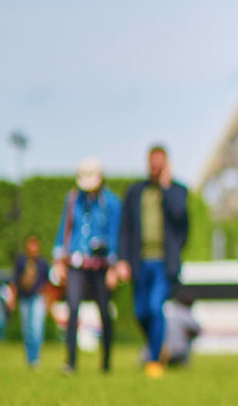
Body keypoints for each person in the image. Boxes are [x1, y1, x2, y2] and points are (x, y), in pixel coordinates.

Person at [117, 143, 190, 378]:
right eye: (153, 163)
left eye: (161, 164)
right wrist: (122, 260)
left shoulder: (178, 191)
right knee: (141, 312)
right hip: (140, 261)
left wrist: (166, 187)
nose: (156, 168)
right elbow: (126, 228)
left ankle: (154, 359)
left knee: (155, 306)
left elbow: (181, 219)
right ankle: (159, 346)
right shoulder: (135, 192)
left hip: (162, 263)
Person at [52, 156, 122, 374]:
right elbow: (65, 228)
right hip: (76, 263)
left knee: (104, 311)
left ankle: (106, 363)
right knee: (72, 310)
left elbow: (115, 234)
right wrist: (59, 259)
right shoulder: (73, 199)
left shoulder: (112, 203)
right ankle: (71, 361)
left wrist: (113, 267)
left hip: (101, 266)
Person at [9, 234, 50, 368]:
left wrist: (49, 301)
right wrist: (12, 298)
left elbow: (48, 284)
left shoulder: (43, 263)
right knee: (27, 330)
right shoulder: (21, 261)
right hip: (24, 299)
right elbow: (14, 281)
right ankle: (30, 359)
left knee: (37, 329)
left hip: (38, 298)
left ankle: (36, 358)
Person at [161, 289, 202, 367]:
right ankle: (184, 363)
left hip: (159, 351)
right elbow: (197, 330)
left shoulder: (165, 309)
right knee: (188, 335)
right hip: (178, 352)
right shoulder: (185, 312)